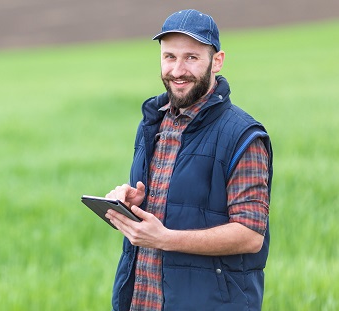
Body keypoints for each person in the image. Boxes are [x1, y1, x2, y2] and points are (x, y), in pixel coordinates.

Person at [104, 9, 273, 311]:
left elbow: (250, 235)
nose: (177, 70)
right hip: (142, 300)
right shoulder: (153, 124)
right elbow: (175, 206)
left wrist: (165, 238)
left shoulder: (242, 136)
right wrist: (135, 204)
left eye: (191, 58)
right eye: (169, 57)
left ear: (217, 61)